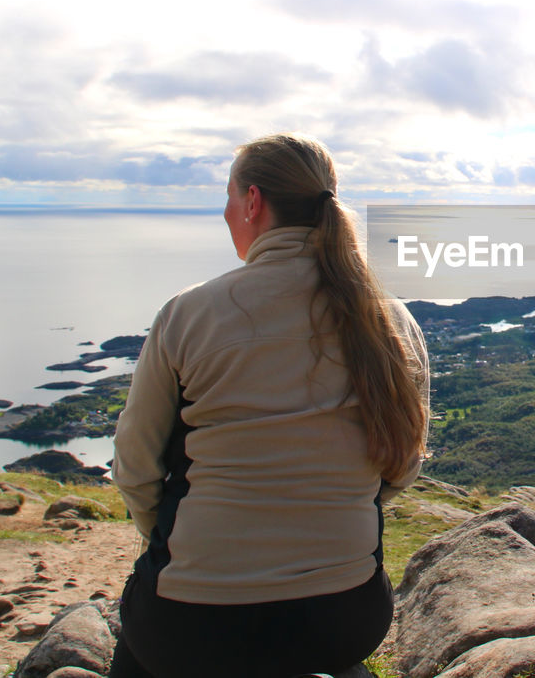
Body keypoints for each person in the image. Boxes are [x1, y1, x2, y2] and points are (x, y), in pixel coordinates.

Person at [110, 133, 429, 678]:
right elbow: (400, 467)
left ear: (252, 201)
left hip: (190, 622)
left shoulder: (188, 314)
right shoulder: (390, 321)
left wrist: (170, 543)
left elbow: (136, 468)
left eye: (229, 196)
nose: (227, 211)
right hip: (344, 616)